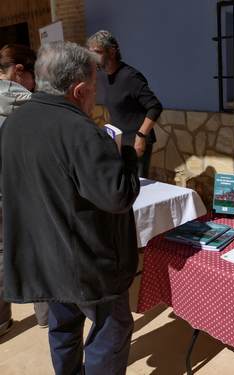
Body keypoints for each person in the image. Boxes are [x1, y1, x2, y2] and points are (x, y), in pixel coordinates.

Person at [0, 41, 140, 374]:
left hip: (44, 256)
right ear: (78, 90)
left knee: (64, 329)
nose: (96, 96)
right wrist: (128, 155)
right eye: (94, 87)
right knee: (112, 329)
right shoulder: (81, 132)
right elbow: (117, 196)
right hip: (87, 264)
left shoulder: (12, 125)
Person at [0, 44, 49, 336]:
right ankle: (46, 314)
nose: (35, 83)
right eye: (33, 75)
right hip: (19, 189)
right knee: (38, 248)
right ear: (20, 71)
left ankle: (1, 320)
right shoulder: (25, 101)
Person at [87, 30, 163, 178]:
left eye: (97, 52)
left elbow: (155, 106)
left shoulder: (130, 77)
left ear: (112, 51)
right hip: (119, 142)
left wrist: (141, 137)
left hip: (136, 143)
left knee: (139, 188)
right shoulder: (104, 76)